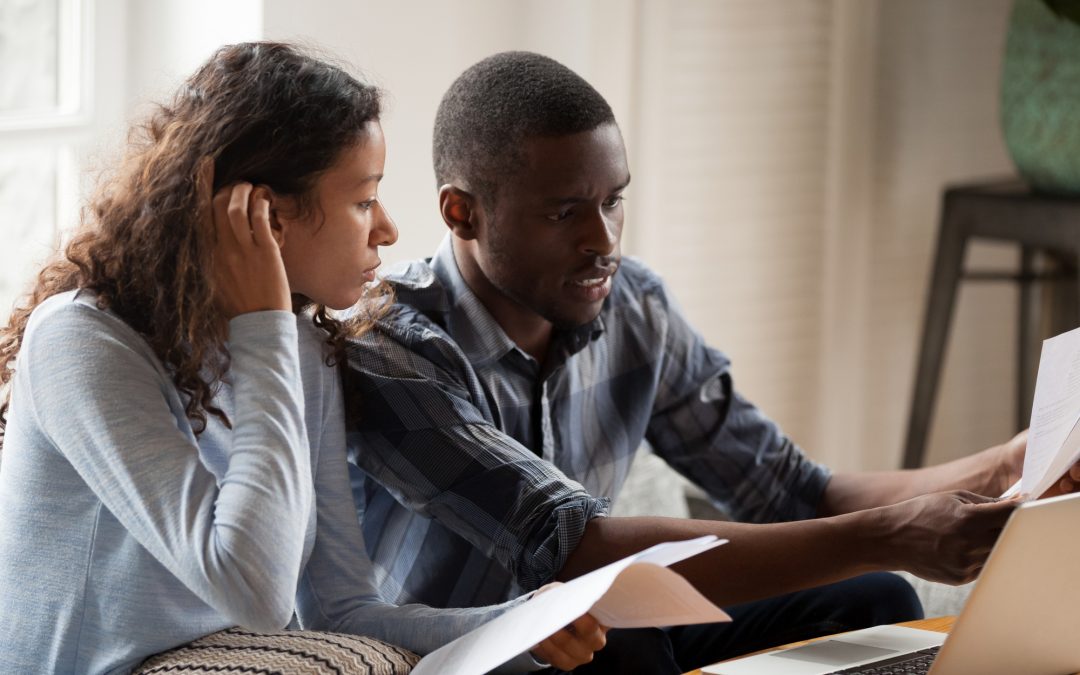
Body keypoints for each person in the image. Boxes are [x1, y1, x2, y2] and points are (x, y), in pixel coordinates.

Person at [342, 51, 1061, 673]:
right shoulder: (389, 344)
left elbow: (793, 491)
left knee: (878, 599)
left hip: (596, 630)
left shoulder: (634, 306)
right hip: (470, 653)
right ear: (462, 212)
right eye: (565, 213)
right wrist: (892, 534)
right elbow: (574, 550)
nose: (605, 240)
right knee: (619, 641)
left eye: (613, 201)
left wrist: (1006, 467)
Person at [0, 43, 604, 674]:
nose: (388, 229)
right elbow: (255, 592)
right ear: (264, 216)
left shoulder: (302, 351)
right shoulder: (81, 341)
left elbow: (341, 611)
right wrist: (263, 333)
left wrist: (521, 623)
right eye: (364, 200)